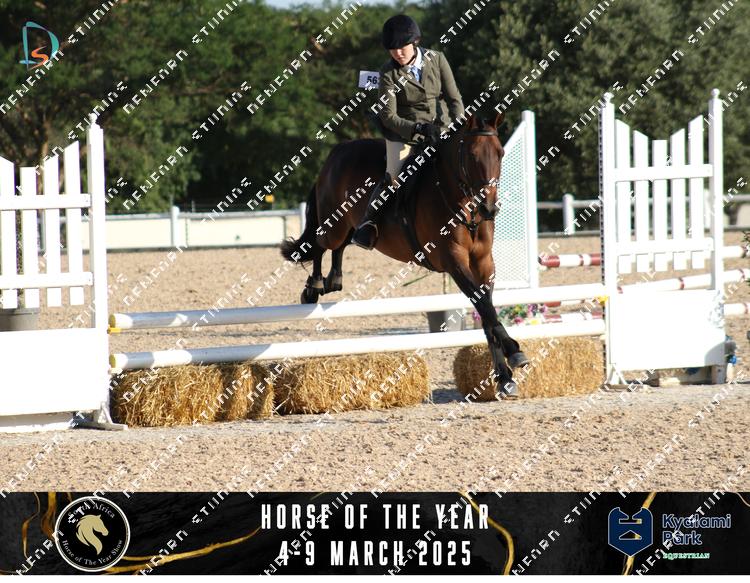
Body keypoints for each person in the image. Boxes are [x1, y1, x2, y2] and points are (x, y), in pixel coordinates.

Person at [351, 14, 465, 250]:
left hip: (440, 128)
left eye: (402, 47)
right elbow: (389, 116)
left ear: (415, 42)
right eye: (392, 49)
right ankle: (368, 224)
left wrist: (460, 127)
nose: (397, 53)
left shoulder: (437, 59)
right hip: (404, 134)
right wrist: (417, 128)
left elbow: (454, 99)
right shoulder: (388, 73)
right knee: (393, 176)